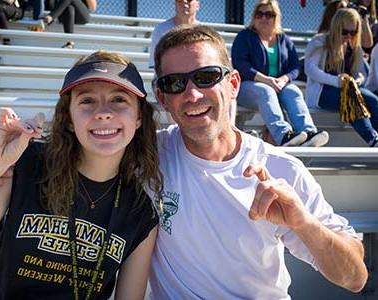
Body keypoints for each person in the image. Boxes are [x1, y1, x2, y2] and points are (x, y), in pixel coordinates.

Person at [0, 51, 163, 299]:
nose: (103, 112)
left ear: (139, 117)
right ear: (69, 120)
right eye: (87, 101)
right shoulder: (28, 166)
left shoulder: (140, 212)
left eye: (119, 99)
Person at [150, 24, 368, 298]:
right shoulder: (148, 155)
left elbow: (355, 277)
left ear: (233, 85)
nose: (192, 94)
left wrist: (303, 223)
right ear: (162, 98)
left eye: (206, 76)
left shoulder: (281, 169)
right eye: (175, 83)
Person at [232, 0, 329, 147]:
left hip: (277, 85)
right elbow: (241, 64)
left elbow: (295, 66)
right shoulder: (245, 36)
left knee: (293, 90)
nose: (264, 18)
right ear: (254, 17)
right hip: (248, 88)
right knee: (266, 90)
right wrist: (266, 80)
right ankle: (284, 136)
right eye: (259, 14)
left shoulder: (283, 39)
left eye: (268, 14)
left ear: (276, 17)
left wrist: (284, 79)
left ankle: (309, 133)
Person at [305, 8, 378, 146]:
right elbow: (310, 69)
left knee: (372, 99)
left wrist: (357, 81)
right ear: (336, 27)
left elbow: (361, 73)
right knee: (350, 96)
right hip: (323, 93)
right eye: (344, 32)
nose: (349, 36)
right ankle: (372, 138)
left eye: (353, 32)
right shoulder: (321, 41)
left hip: (348, 88)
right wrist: (336, 80)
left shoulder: (354, 46)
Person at [148, 0, 200, 69]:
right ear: (175, 5)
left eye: (189, 0)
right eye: (179, 0)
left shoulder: (204, 31)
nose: (184, 2)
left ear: (198, 5)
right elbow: (156, 64)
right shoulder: (161, 29)